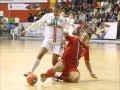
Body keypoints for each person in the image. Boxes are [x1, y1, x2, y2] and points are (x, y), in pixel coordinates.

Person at [21, 3, 66, 76]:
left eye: (57, 11)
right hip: (48, 41)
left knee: (54, 62)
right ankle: (30, 72)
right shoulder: (47, 16)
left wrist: (63, 39)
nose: (55, 12)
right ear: (52, 9)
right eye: (54, 10)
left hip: (57, 43)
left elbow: (62, 31)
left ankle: (58, 73)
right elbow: (37, 23)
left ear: (60, 10)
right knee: (40, 54)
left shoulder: (63, 20)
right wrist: (26, 30)